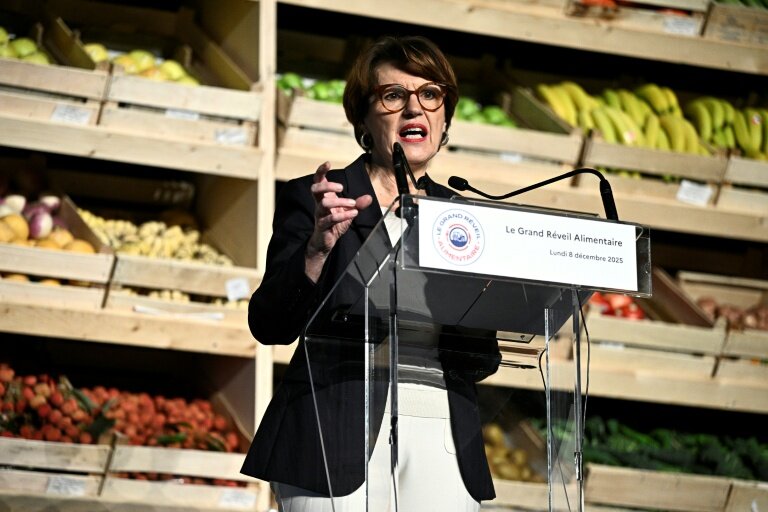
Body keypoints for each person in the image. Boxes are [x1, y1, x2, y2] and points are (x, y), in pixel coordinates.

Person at [241, 35, 501, 511]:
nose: (413, 110)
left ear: (445, 118)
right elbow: (269, 325)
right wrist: (318, 249)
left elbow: (482, 359)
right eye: (393, 96)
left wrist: (489, 298)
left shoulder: (465, 221)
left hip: (442, 434)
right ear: (364, 117)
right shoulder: (321, 198)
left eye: (430, 95)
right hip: (330, 430)